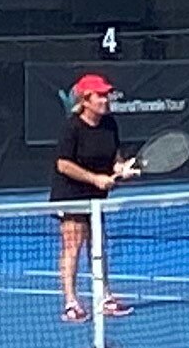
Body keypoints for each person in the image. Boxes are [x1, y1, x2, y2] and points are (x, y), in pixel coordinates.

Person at [50, 72, 139, 324]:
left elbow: (114, 156)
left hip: (97, 196)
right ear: (86, 100)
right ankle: (71, 302)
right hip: (70, 194)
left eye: (106, 94)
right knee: (73, 246)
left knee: (98, 245)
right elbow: (63, 165)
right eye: (100, 95)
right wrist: (96, 179)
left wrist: (121, 168)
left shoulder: (110, 124)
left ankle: (104, 298)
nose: (105, 99)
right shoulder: (72, 128)